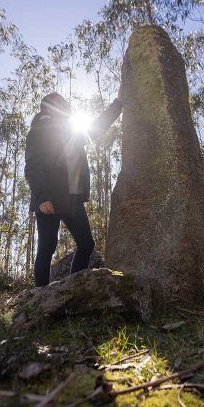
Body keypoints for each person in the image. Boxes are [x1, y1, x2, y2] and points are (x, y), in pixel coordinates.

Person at [24, 92, 123, 286]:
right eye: (63, 107)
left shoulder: (69, 132)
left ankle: (72, 290)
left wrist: (118, 104)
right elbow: (32, 166)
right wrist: (43, 196)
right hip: (49, 198)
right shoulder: (39, 130)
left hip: (71, 198)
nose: (66, 111)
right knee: (47, 248)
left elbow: (96, 129)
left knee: (86, 244)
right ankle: (40, 300)